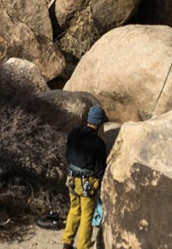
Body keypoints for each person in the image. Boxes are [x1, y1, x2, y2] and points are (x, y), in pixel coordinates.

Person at [62, 104, 108, 249]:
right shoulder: (98, 143)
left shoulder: (74, 133)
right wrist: (101, 183)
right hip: (87, 182)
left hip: (71, 178)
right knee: (87, 215)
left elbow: (67, 154)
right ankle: (83, 246)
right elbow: (100, 168)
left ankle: (67, 243)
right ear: (99, 123)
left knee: (74, 209)